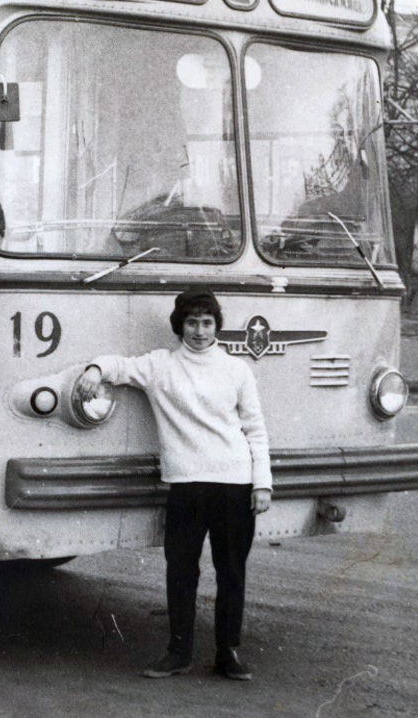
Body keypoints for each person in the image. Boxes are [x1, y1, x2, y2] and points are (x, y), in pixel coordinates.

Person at [74, 286, 272, 681]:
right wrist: (94, 370)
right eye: (192, 322)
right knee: (180, 570)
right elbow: (117, 365)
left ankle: (227, 653)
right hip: (185, 484)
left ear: (217, 326)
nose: (200, 331)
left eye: (207, 322)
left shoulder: (236, 369)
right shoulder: (159, 365)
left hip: (234, 482)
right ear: (179, 326)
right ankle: (178, 652)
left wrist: (261, 483)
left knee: (231, 571)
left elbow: (256, 429)